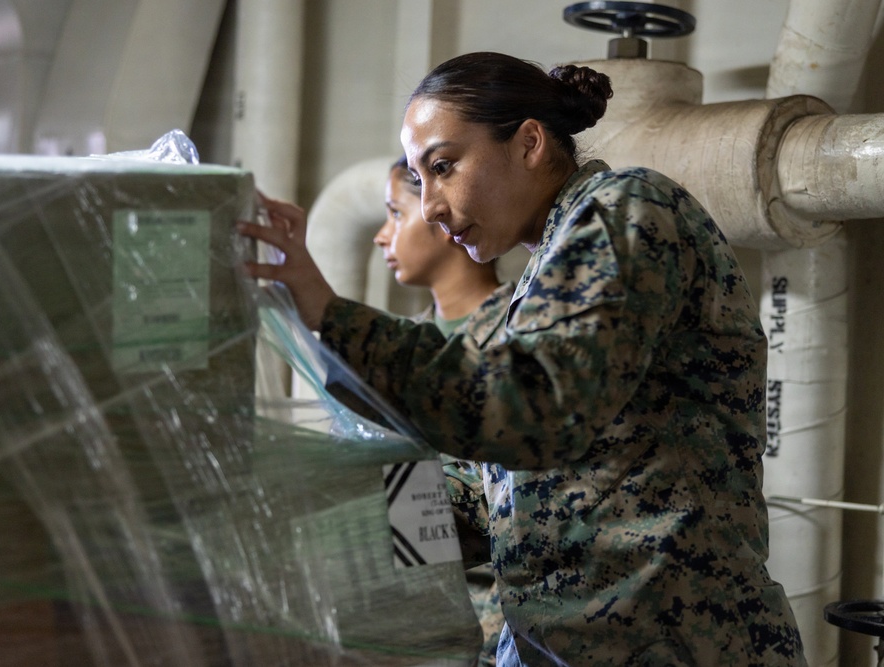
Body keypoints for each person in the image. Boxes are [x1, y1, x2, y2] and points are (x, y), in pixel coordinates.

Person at [240, 51, 805, 666]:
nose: (429, 204)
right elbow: (517, 499)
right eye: (420, 178)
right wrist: (312, 513)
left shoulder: (625, 209)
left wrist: (330, 316)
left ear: (529, 143)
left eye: (444, 166)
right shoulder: (544, 269)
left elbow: (534, 405)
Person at [375, 155, 513, 666]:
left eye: (395, 213)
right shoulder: (398, 349)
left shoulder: (520, 339)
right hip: (414, 623)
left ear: (440, 219)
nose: (382, 236)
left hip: (497, 631)